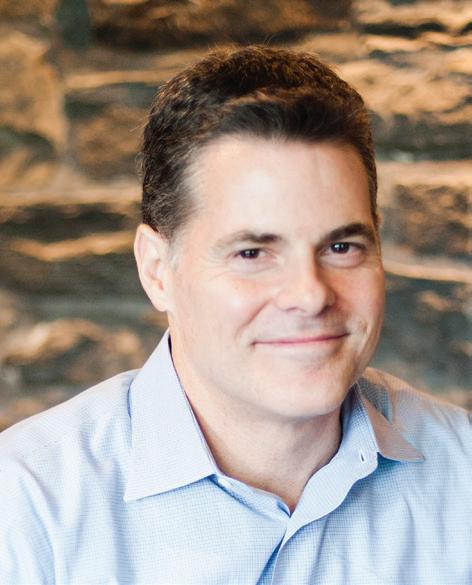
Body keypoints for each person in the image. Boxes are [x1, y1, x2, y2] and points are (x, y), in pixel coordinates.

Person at [0, 45, 470, 585]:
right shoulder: (26, 508)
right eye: (252, 253)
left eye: (341, 247)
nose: (310, 295)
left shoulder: (463, 474)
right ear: (157, 270)